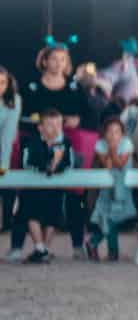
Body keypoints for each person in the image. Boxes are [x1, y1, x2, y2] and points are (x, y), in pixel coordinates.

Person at [15, 110, 81, 262]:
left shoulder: (66, 142)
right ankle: (40, 247)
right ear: (40, 127)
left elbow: (69, 163)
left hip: (55, 187)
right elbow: (29, 163)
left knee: (52, 216)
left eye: (58, 124)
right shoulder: (31, 141)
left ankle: (43, 249)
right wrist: (51, 164)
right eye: (51, 125)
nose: (56, 128)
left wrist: (56, 164)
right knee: (31, 214)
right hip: (33, 187)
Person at [86, 114, 138, 262]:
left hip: (122, 186)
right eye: (110, 131)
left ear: (122, 133)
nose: (113, 135)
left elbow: (120, 164)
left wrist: (113, 151)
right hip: (107, 188)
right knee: (109, 219)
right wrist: (112, 151)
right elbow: (108, 165)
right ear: (104, 132)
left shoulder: (127, 143)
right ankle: (111, 251)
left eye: (117, 132)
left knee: (114, 218)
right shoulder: (100, 144)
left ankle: (94, 243)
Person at [0, 65, 19, 259]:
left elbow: (7, 135)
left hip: (6, 148)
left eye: (3, 83)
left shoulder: (14, 101)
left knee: (7, 188)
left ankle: (7, 221)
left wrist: (3, 163)